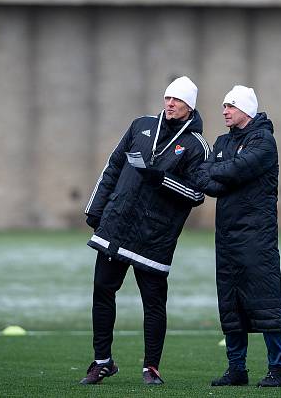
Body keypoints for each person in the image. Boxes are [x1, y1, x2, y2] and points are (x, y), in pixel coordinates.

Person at [79, 76, 211, 386]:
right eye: (167, 98)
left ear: (189, 105)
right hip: (117, 226)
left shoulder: (196, 145)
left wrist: (161, 179)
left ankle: (151, 367)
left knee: (153, 303)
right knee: (102, 291)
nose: (169, 103)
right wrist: (96, 208)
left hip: (153, 236)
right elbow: (113, 167)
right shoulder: (140, 126)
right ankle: (102, 361)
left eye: (176, 100)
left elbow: (197, 194)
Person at [190, 85, 281, 388]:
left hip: (257, 236)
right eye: (223, 106)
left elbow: (237, 169)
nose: (224, 111)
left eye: (230, 106)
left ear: (246, 110)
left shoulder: (264, 141)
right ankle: (237, 370)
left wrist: (220, 171)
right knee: (230, 302)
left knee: (266, 301)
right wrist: (222, 172)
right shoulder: (222, 141)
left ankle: (278, 370)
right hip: (228, 237)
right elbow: (208, 180)